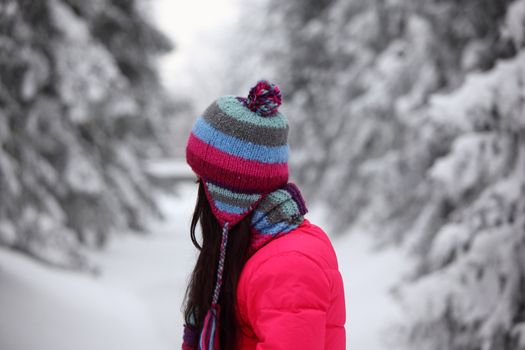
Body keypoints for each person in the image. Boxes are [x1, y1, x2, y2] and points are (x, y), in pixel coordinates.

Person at [182, 80, 346, 350]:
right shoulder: (249, 252)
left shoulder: (287, 266)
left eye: (203, 183)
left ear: (228, 197)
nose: (199, 196)